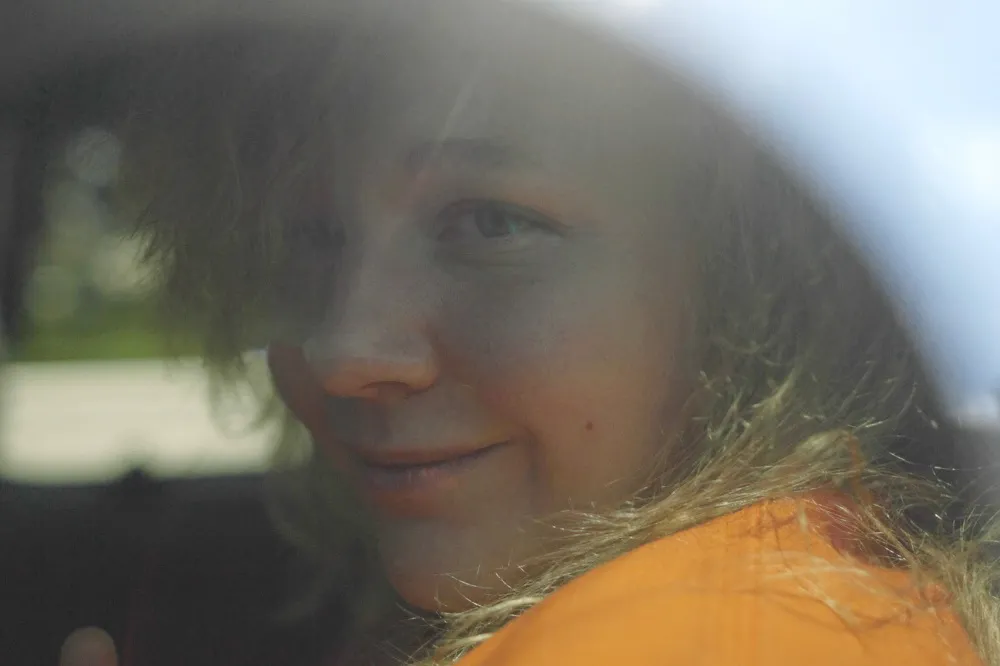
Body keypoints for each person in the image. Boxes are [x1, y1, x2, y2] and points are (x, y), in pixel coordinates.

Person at [62, 8, 998, 666]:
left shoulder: (678, 641)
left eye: (490, 224)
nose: (345, 352)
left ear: (748, 286)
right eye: (311, 240)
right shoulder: (820, 589)